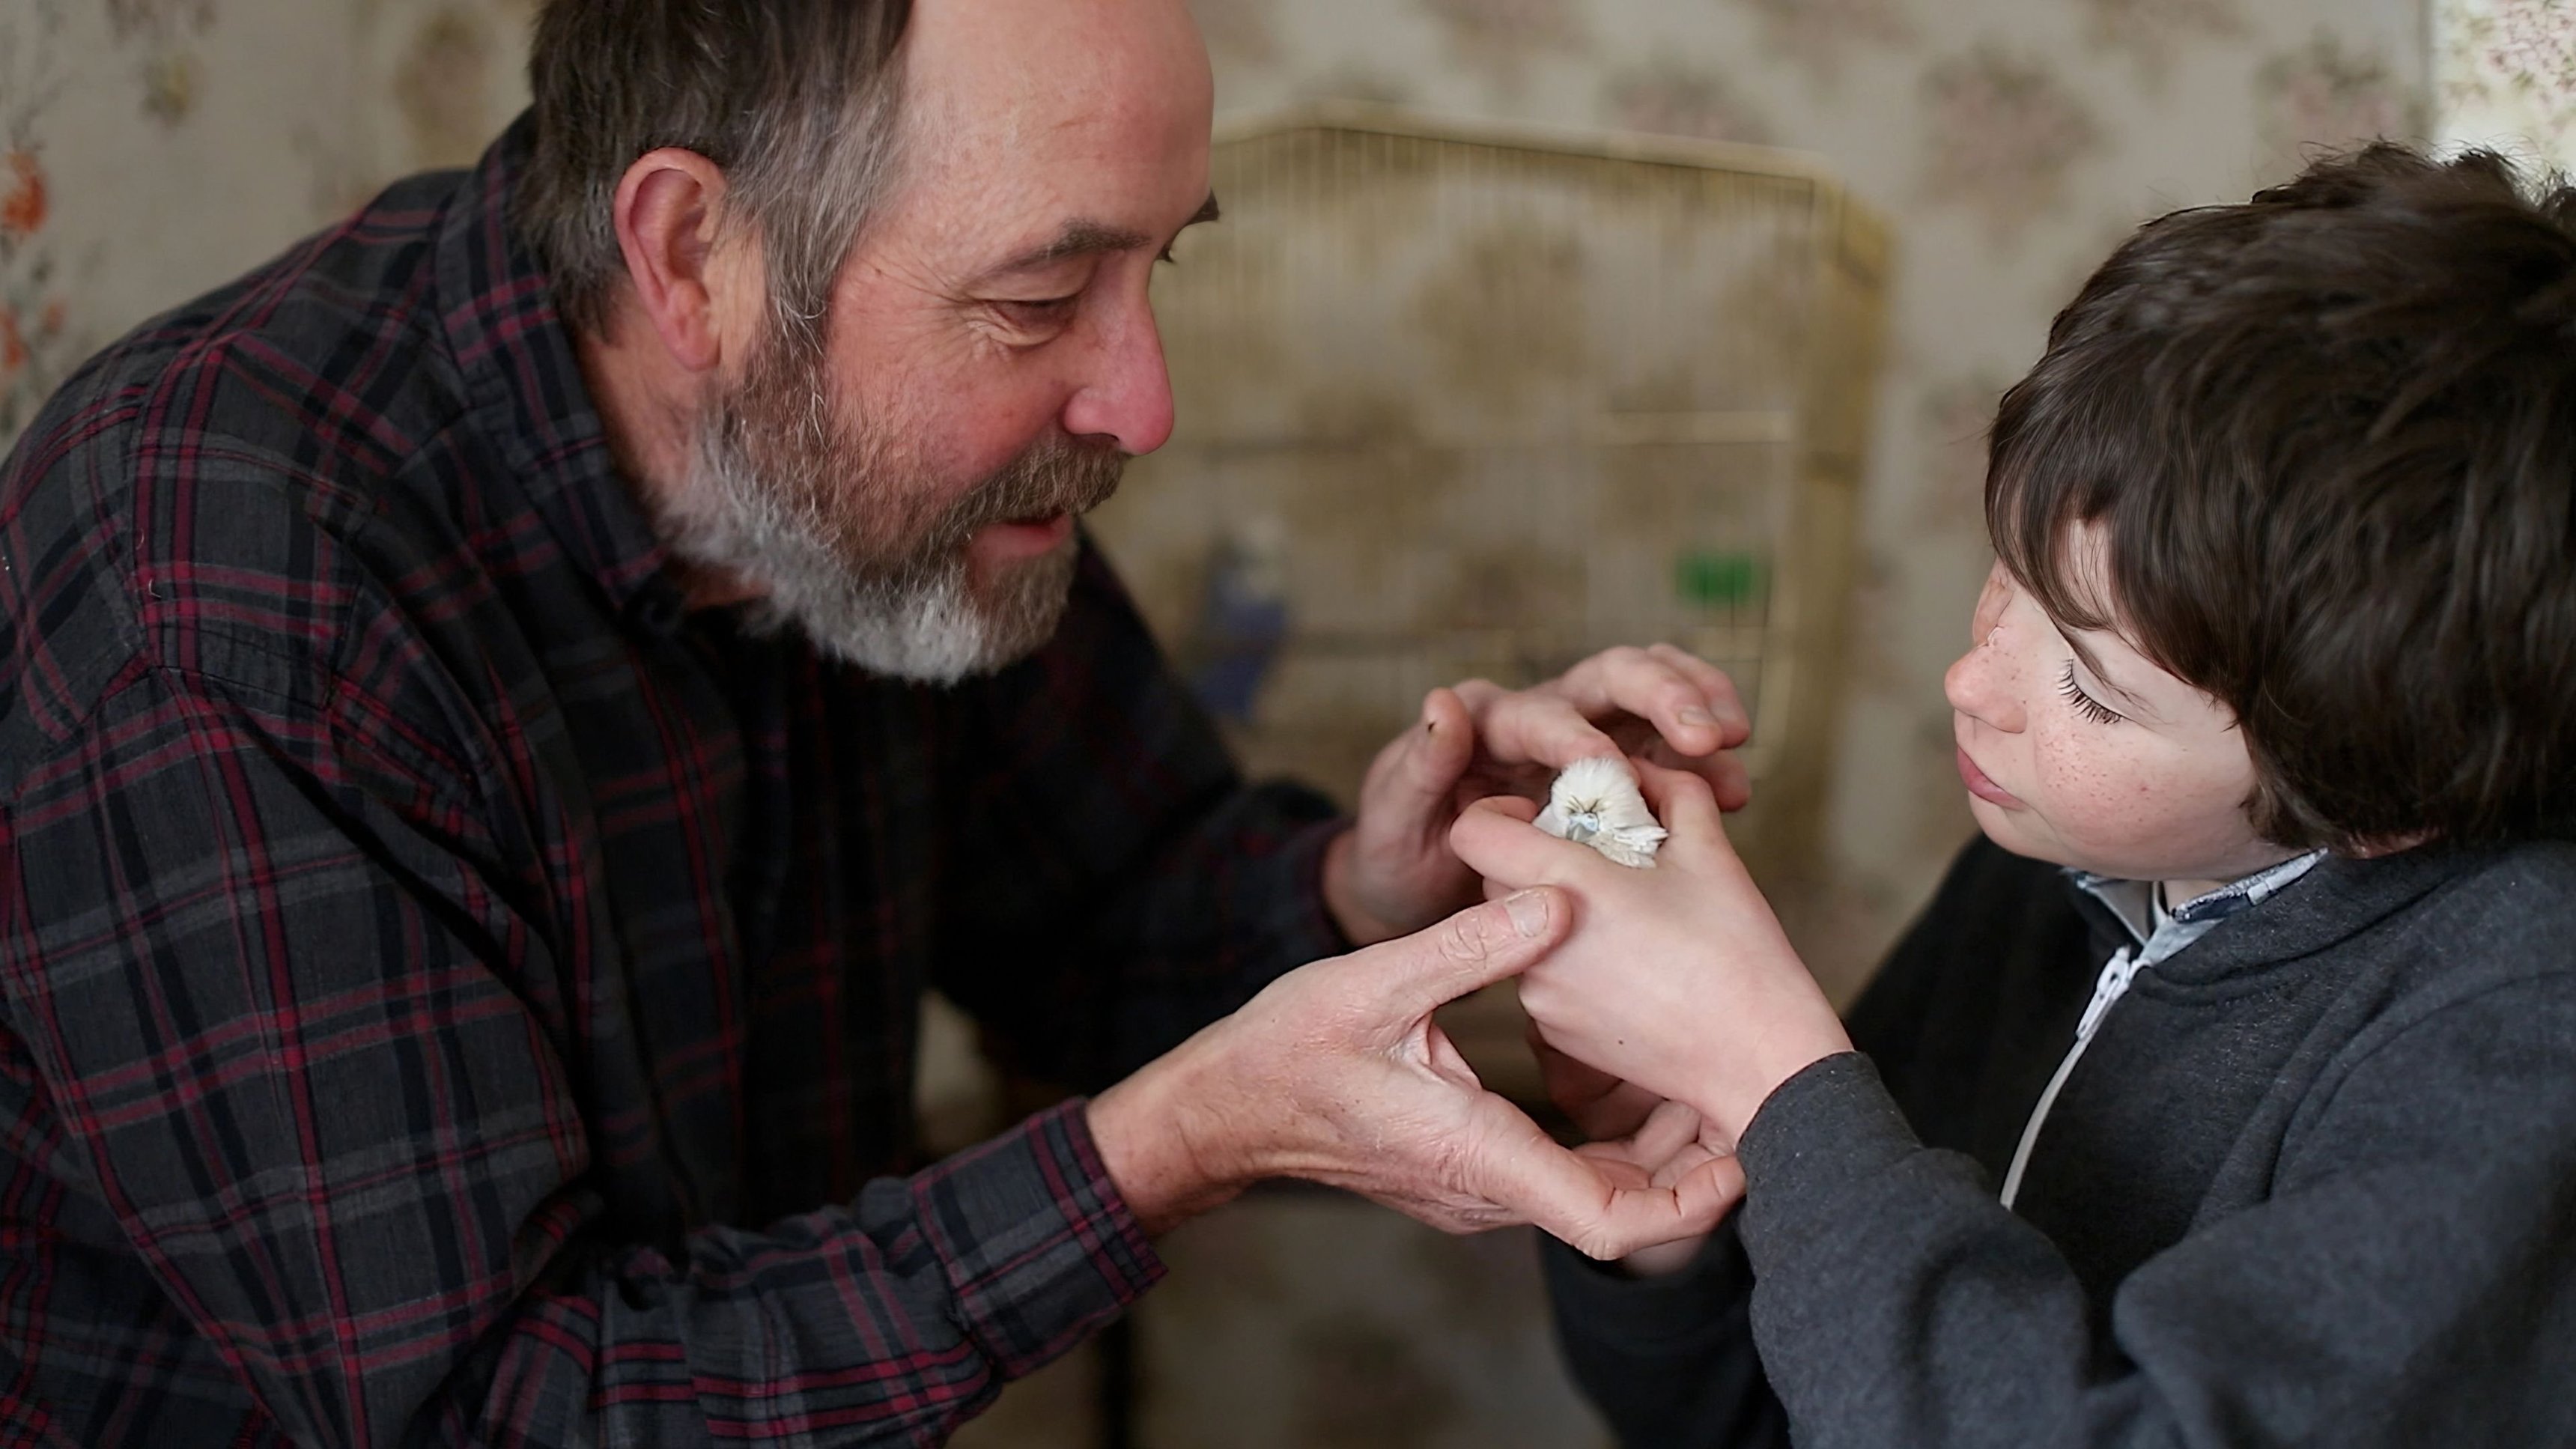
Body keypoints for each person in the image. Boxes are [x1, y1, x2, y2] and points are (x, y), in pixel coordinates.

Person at [0, 0, 1742, 1442]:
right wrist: (1167, 1147)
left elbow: (1109, 902)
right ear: (694, 256)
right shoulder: (228, 600)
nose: (1142, 401)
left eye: (1158, 270)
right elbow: (508, 1408)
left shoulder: (879, 487)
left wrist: (1377, 886)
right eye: (1041, 302)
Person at [1456, 145, 2576, 1447]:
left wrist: (1778, 1078)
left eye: (2094, 690)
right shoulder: (2048, 867)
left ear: (2385, 791)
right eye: (2008, 577)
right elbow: (1767, 1421)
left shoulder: (2514, 1025)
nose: (1970, 682)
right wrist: (1684, 1200)